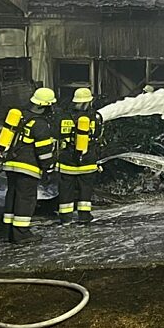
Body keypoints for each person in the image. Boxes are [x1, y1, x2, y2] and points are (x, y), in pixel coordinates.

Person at [0, 87, 57, 244]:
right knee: (26, 199)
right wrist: (48, 168)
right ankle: (21, 234)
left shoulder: (20, 116)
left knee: (13, 195)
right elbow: (44, 151)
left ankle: (9, 230)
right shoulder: (40, 124)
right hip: (27, 167)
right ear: (44, 105)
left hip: (10, 164)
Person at [57, 87, 102, 225]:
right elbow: (97, 135)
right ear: (88, 102)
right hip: (87, 160)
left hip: (67, 160)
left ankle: (65, 218)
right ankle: (84, 216)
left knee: (66, 189)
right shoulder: (94, 117)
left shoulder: (64, 117)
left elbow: (57, 134)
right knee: (86, 189)